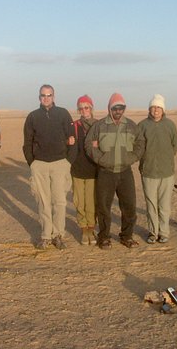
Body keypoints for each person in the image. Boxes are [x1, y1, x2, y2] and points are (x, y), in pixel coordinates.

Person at [85, 93, 145, 250]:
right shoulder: (99, 126)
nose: (118, 110)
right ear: (110, 108)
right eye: (115, 107)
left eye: (121, 107)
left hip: (125, 172)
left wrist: (131, 158)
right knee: (104, 207)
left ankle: (127, 236)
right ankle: (104, 237)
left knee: (129, 206)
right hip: (106, 172)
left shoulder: (131, 125)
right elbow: (89, 146)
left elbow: (140, 143)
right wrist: (102, 159)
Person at [23, 84, 75, 250]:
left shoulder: (63, 114)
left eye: (49, 95)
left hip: (60, 163)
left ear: (54, 96)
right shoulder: (33, 117)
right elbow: (27, 143)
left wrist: (68, 162)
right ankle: (46, 235)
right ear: (39, 97)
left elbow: (72, 139)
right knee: (43, 202)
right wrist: (33, 163)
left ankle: (58, 235)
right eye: (43, 95)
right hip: (40, 165)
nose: (46, 98)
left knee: (59, 202)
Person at [138, 94, 177, 244]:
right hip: (148, 171)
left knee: (164, 205)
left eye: (159, 107)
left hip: (166, 172)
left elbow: (175, 144)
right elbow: (138, 146)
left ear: (163, 109)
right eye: (153, 107)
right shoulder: (142, 125)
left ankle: (164, 232)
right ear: (149, 109)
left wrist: (166, 159)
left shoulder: (170, 125)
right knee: (151, 205)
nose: (156, 110)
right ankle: (153, 232)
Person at [70, 95, 98, 245]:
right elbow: (66, 144)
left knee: (92, 202)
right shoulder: (74, 126)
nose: (83, 111)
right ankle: (83, 230)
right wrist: (69, 141)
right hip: (77, 170)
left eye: (86, 107)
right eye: (80, 108)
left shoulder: (98, 125)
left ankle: (91, 230)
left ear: (91, 108)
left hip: (94, 170)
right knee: (79, 202)